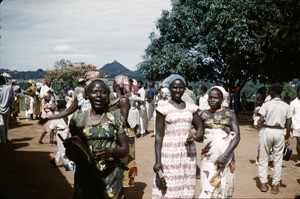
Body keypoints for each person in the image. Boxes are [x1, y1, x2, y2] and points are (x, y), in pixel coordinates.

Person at [66, 78, 129, 198]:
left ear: (108, 95)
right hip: (85, 176)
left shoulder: (116, 118)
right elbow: (71, 148)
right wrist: (72, 153)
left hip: (110, 176)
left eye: (103, 92)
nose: (98, 96)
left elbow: (125, 149)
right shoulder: (77, 119)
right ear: (87, 95)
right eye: (94, 92)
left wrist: (110, 151)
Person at [152, 74, 203, 198]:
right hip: (169, 151)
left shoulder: (191, 108)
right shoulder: (163, 108)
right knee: (169, 182)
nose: (178, 90)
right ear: (169, 88)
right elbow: (159, 136)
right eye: (175, 87)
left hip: (187, 152)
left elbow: (200, 127)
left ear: (185, 89)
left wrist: (195, 137)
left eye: (181, 88)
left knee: (186, 180)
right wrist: (158, 161)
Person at [198, 86, 240, 198]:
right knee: (207, 183)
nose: (212, 100)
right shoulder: (202, 114)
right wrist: (192, 137)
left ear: (222, 99)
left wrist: (225, 156)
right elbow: (200, 136)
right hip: (208, 155)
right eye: (210, 97)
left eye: (215, 98)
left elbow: (237, 137)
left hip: (226, 153)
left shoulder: (230, 114)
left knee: (225, 182)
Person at [257, 83, 292, 194]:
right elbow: (289, 122)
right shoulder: (286, 105)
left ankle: (263, 183)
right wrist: (286, 137)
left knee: (263, 158)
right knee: (278, 160)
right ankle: (275, 185)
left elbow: (261, 120)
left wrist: (259, 122)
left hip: (267, 131)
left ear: (272, 92)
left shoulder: (266, 104)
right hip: (280, 132)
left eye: (270, 91)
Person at [49, 99, 71, 167]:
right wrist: (51, 139)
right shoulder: (57, 116)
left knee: (64, 148)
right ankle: (67, 164)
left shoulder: (69, 114)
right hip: (60, 133)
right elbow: (52, 129)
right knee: (63, 149)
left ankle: (56, 159)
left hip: (68, 131)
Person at [0, 74, 13, 144]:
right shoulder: (9, 88)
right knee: (5, 124)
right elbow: (12, 98)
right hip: (7, 108)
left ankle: (3, 139)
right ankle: (5, 138)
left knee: (1, 124)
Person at [290, 86, 300, 166]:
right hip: (297, 125)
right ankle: (299, 158)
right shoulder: (293, 102)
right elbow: (291, 115)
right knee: (299, 141)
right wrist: (294, 126)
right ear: (298, 92)